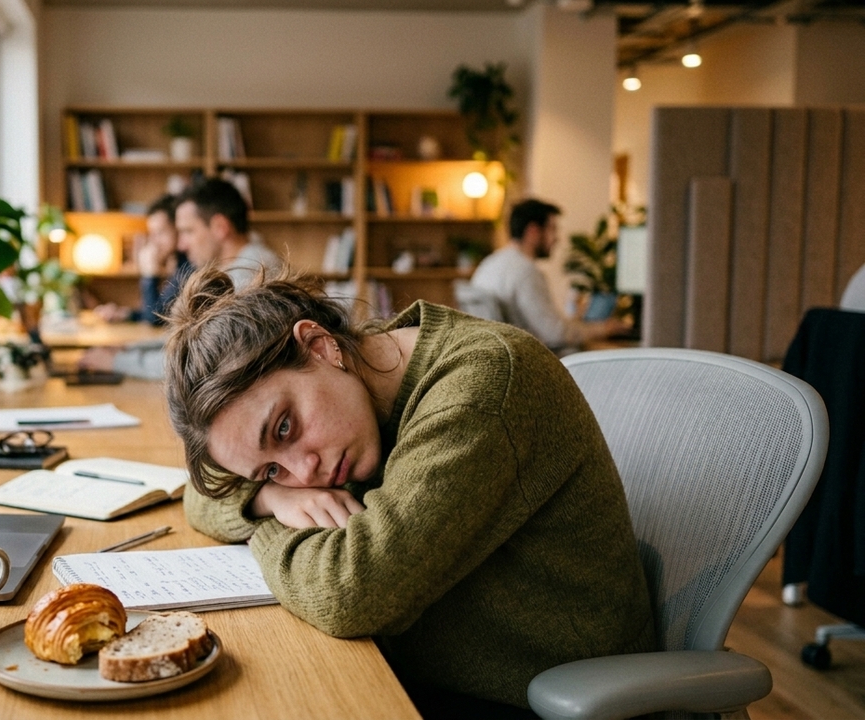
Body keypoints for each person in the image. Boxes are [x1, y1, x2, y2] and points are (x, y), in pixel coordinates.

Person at [164, 268, 655, 719]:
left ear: (319, 346)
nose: (305, 471)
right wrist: (274, 499)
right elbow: (200, 496)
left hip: (537, 701)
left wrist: (265, 533)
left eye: (286, 427)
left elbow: (352, 592)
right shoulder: (364, 372)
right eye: (271, 468)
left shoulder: (481, 386)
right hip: (420, 680)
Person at [79, 178, 281, 378]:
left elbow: (199, 362)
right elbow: (190, 340)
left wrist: (117, 362)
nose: (181, 244)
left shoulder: (249, 275)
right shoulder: (239, 264)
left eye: (187, 231)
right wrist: (130, 349)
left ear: (220, 227)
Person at [471, 199, 626, 352]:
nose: (556, 238)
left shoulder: (489, 265)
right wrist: (605, 328)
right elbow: (556, 334)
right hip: (532, 361)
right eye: (552, 229)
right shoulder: (525, 271)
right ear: (533, 231)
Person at [93, 194, 192, 325]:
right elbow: (161, 311)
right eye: (152, 234)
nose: (154, 241)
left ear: (178, 229)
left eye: (160, 232)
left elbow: (155, 319)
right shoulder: (178, 263)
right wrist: (126, 314)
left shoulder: (189, 267)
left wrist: (149, 274)